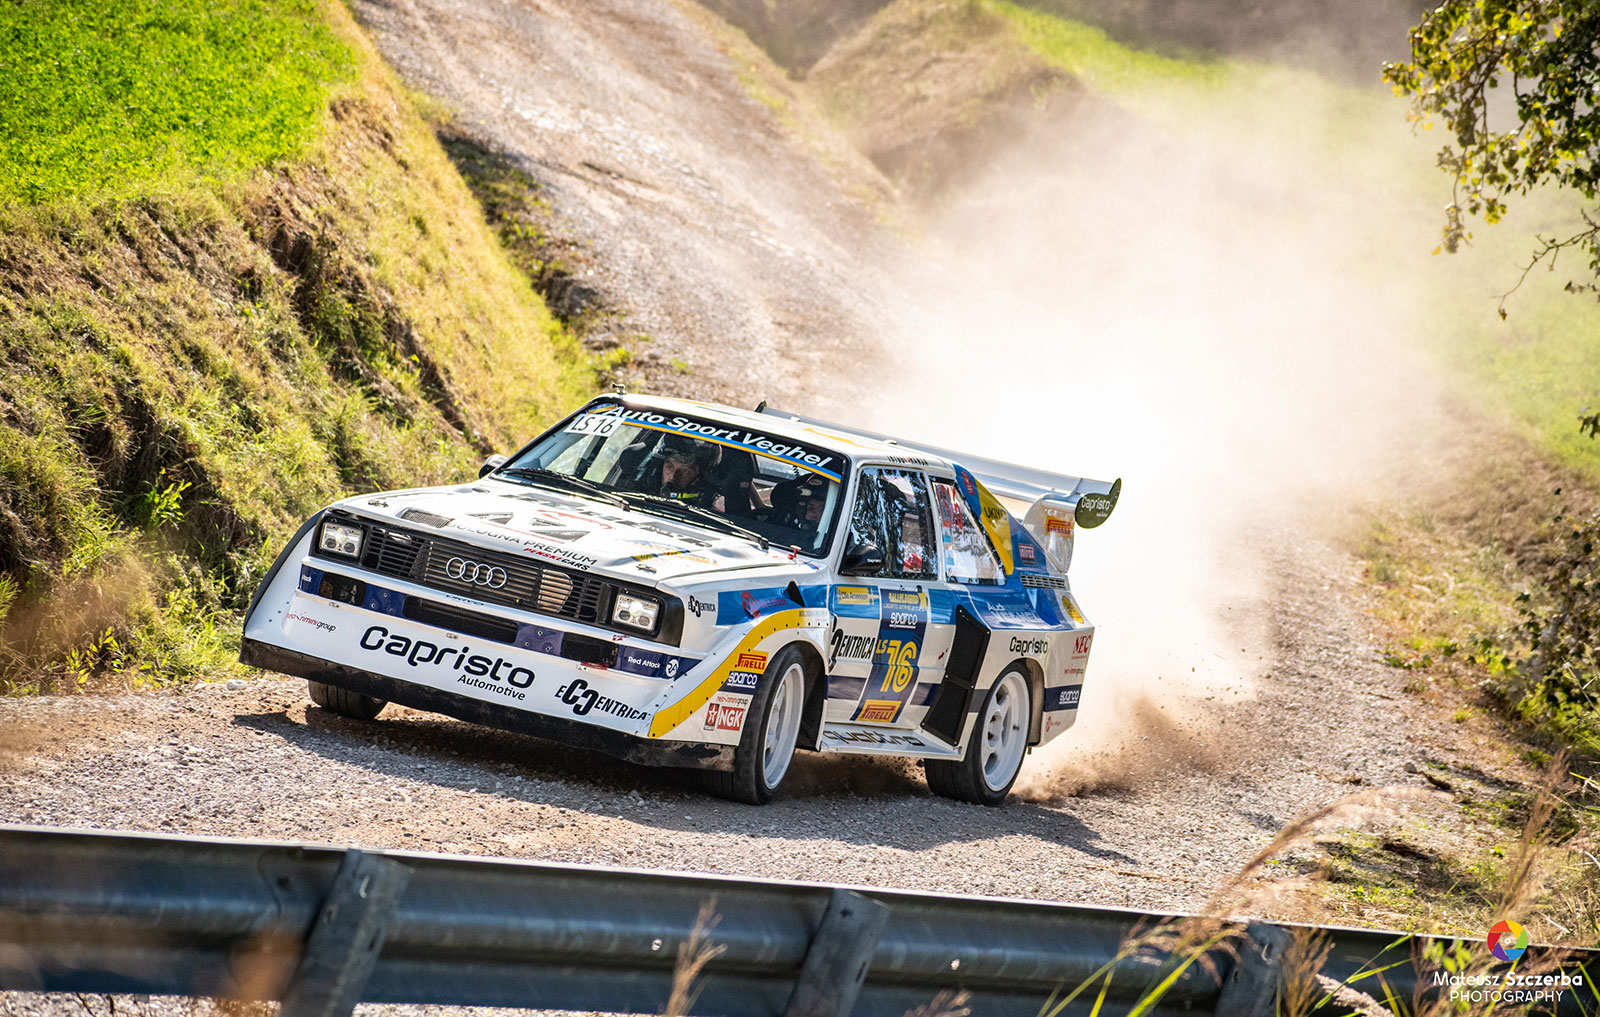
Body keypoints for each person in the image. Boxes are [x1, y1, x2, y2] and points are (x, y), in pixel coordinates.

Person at [658, 439, 724, 512]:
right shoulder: (648, 491)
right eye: (669, 467)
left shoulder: (712, 507)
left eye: (685, 471)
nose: (672, 477)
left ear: (698, 477)